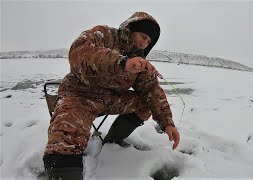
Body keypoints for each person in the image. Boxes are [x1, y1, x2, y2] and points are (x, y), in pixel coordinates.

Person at [43, 12, 180, 179]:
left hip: (109, 101)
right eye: (143, 36)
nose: (144, 43)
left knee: (146, 102)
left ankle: (112, 141)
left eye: (149, 41)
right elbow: (78, 53)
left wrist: (167, 123)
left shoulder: (141, 61)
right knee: (67, 131)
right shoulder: (104, 34)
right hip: (79, 95)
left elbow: (152, 90)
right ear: (132, 29)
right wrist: (122, 62)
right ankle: (64, 173)